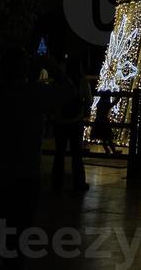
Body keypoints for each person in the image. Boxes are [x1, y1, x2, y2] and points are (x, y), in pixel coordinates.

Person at [0, 48, 54, 265]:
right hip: (24, 174)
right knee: (17, 234)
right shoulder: (31, 93)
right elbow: (68, 92)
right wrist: (52, 67)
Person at [51, 57, 91, 192]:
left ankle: (57, 183)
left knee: (59, 153)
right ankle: (79, 182)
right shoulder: (82, 81)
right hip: (76, 121)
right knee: (76, 154)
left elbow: (54, 99)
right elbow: (88, 100)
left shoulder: (60, 82)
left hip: (60, 121)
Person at [90, 91, 119, 156]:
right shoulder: (106, 103)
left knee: (103, 137)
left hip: (98, 120)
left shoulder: (100, 103)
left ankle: (107, 150)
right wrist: (119, 97)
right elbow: (113, 104)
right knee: (108, 137)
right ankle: (113, 151)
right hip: (104, 120)